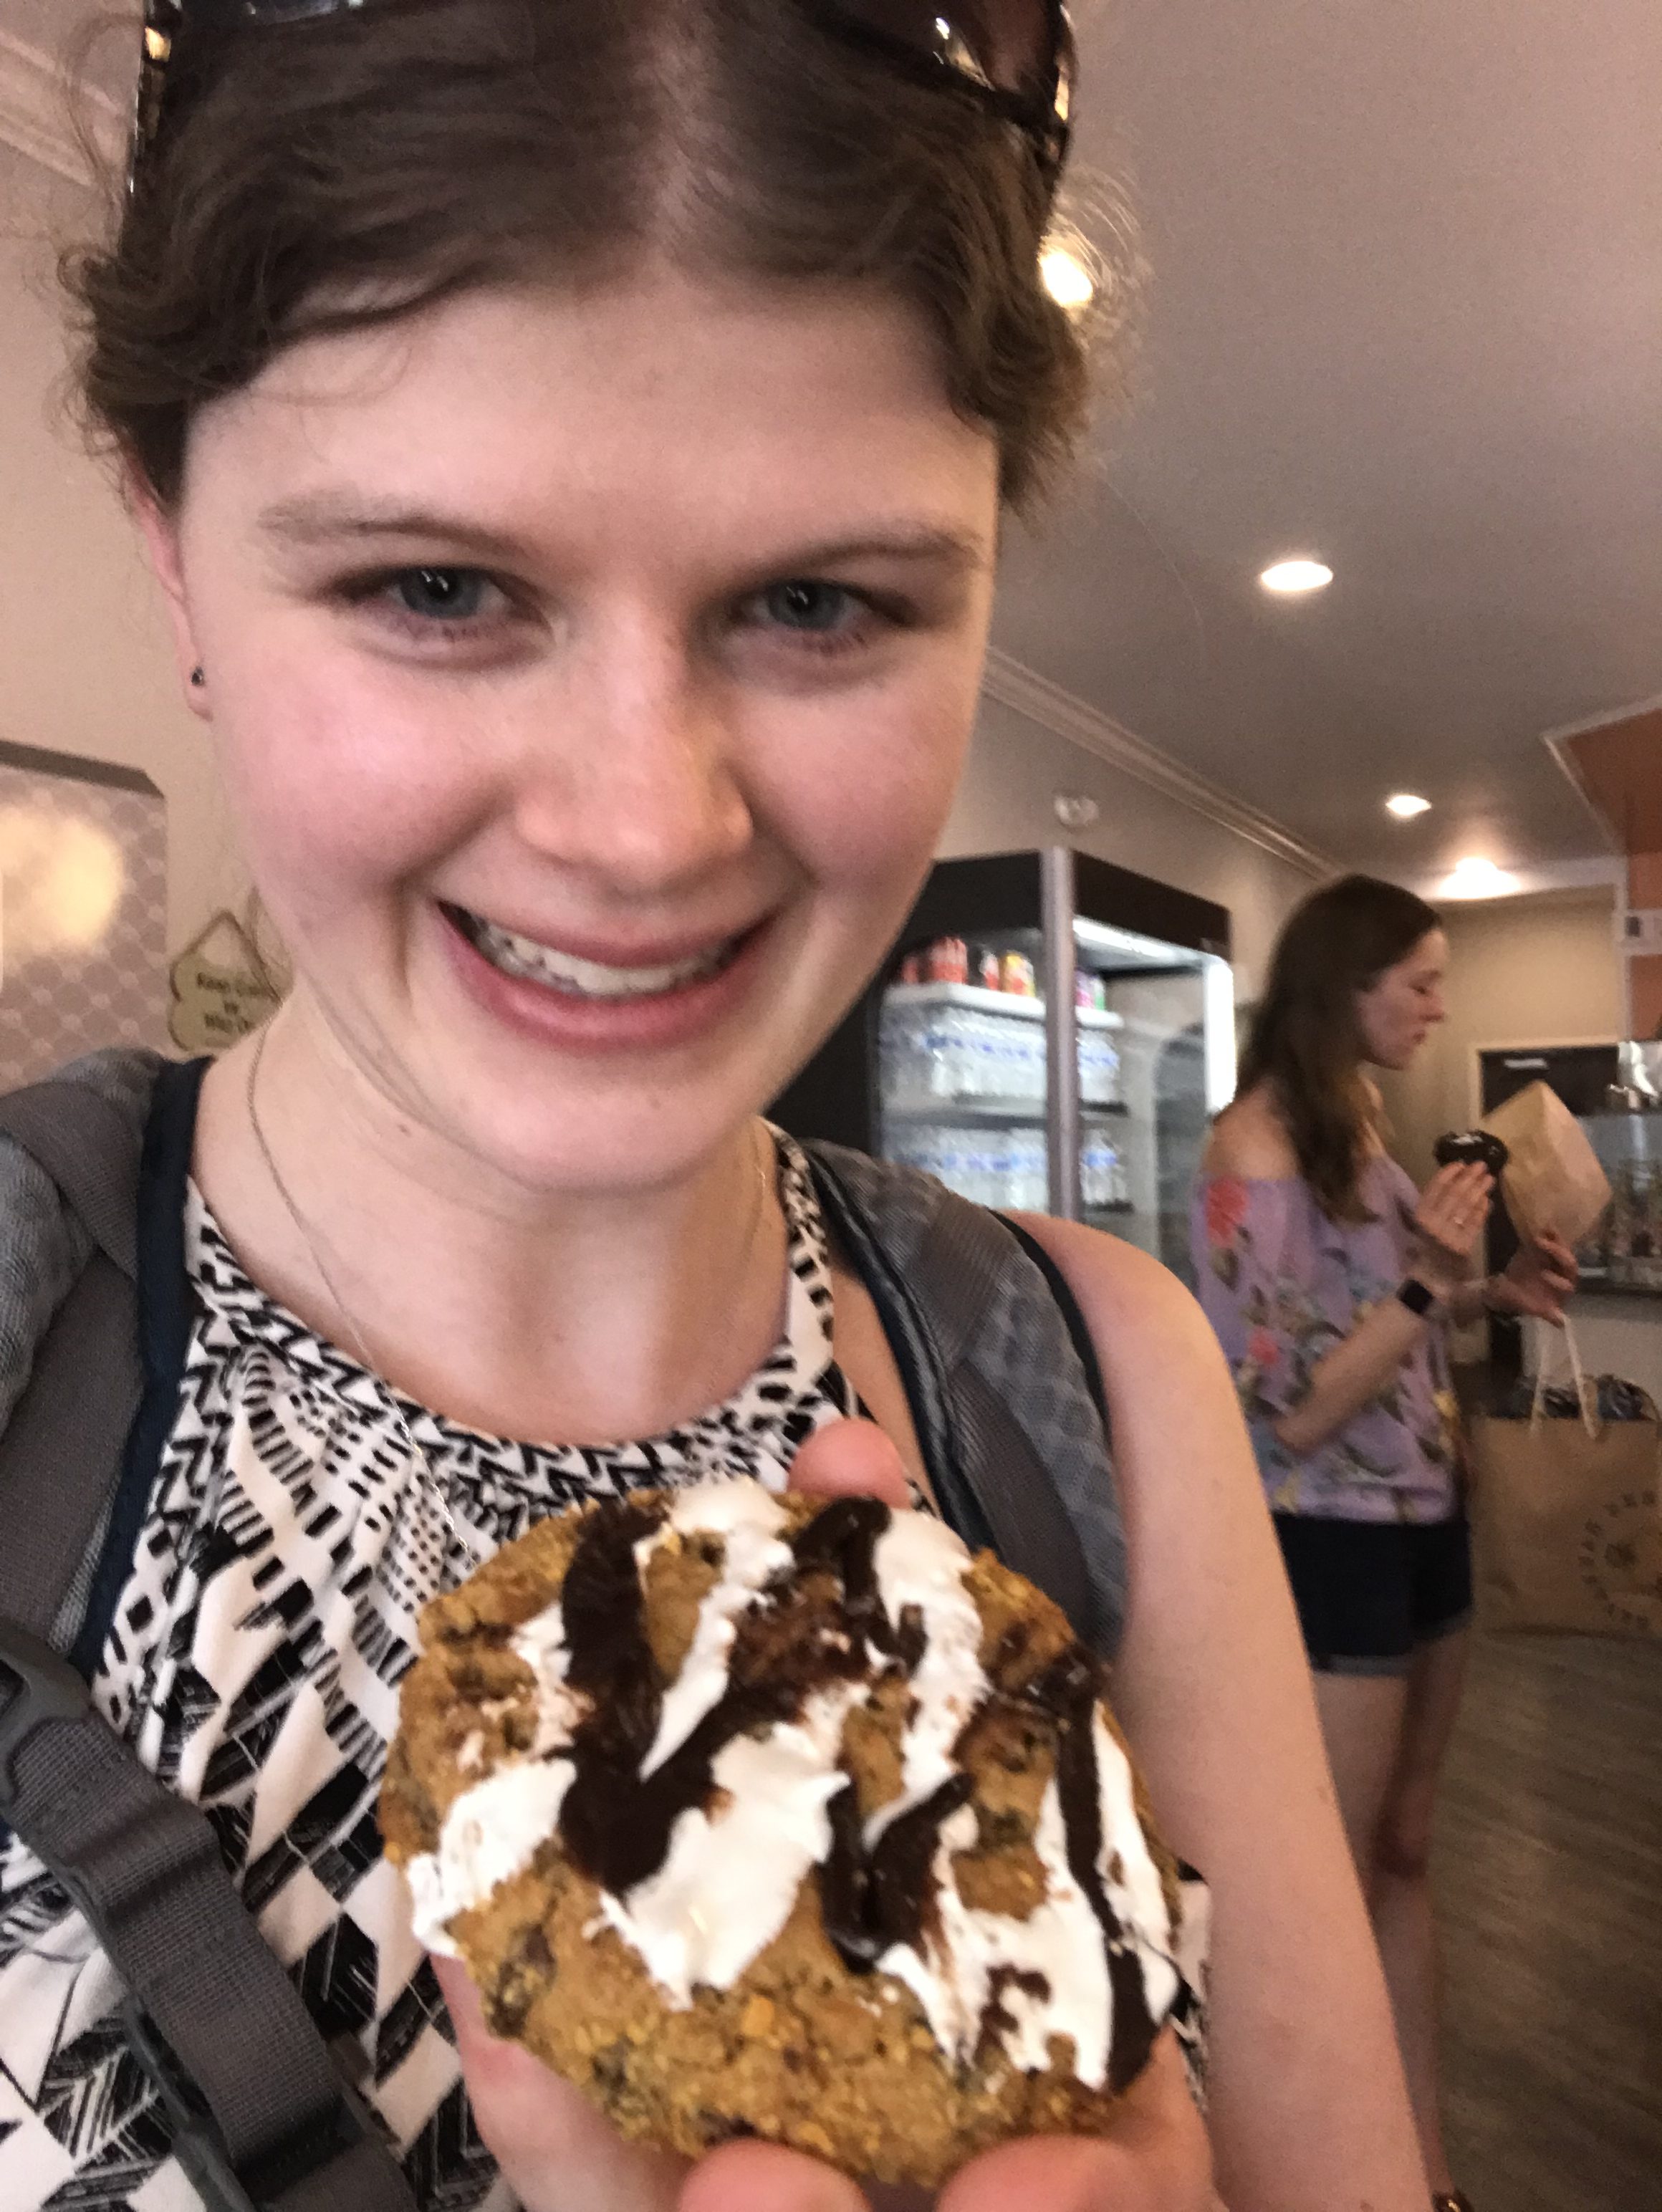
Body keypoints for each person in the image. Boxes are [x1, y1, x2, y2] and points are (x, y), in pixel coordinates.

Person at [0, 5, 1436, 2208]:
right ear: (176, 557)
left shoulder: (1096, 1386)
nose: (645, 829)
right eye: (436, 588)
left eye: (816, 602)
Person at [1192, 874, 1578, 2212]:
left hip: (1426, 1516)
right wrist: (1427, 1279)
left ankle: (1428, 2175)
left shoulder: (1357, 1123)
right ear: (1345, 986)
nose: (1438, 1006)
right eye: (1419, 982)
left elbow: (1386, 1321)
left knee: (1407, 1847)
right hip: (1330, 1538)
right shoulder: (1250, 1154)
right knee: (1333, 1875)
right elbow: (1294, 1410)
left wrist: (1488, 1291)